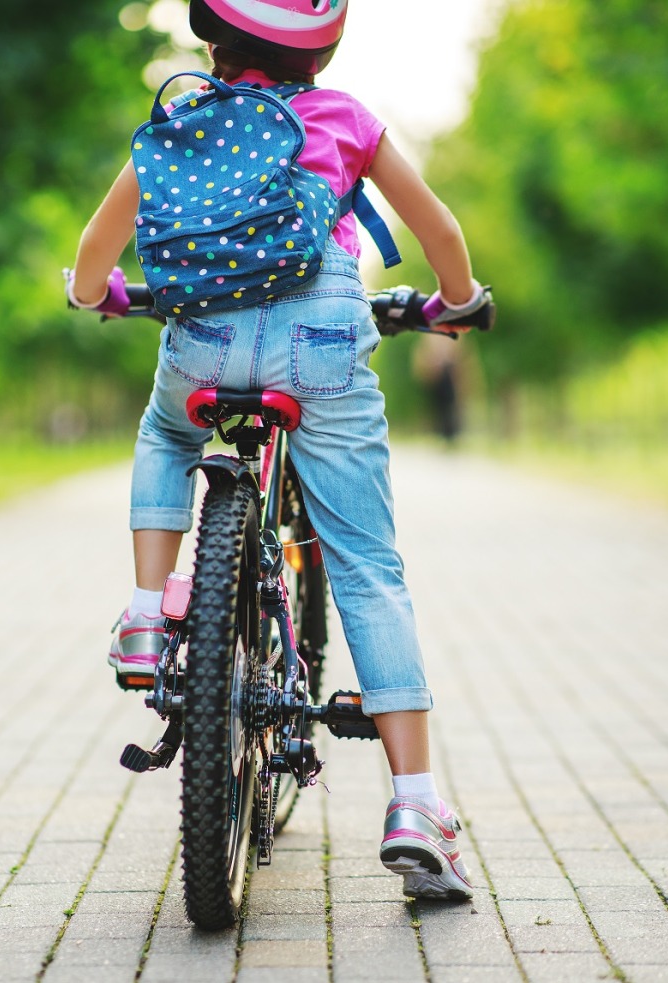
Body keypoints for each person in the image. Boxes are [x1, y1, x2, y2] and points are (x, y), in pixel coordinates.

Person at [66, 0, 490, 901]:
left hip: (204, 344)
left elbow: (93, 251)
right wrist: (455, 299)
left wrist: (95, 291)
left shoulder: (180, 119)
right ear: (323, 46)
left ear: (210, 42)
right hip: (323, 344)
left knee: (168, 428)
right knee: (368, 564)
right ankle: (415, 804)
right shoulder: (344, 120)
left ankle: (147, 610)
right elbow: (440, 233)